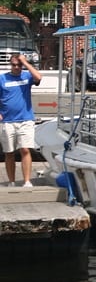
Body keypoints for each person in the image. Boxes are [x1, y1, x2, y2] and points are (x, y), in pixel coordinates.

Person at [0, 53, 42, 187]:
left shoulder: (27, 76)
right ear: (10, 65)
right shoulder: (2, 79)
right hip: (7, 120)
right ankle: (11, 181)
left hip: (25, 119)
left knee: (25, 149)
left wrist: (26, 63)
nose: (17, 67)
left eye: (19, 65)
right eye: (14, 65)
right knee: (9, 152)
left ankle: (27, 181)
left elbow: (38, 77)